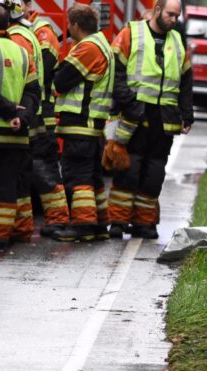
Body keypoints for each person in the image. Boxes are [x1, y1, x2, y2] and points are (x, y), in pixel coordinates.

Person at [105, 0, 193, 240]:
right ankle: (118, 221)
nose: (174, 20)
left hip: (164, 119)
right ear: (157, 10)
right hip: (134, 115)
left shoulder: (177, 41)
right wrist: (128, 101)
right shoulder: (131, 33)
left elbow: (185, 81)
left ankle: (144, 223)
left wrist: (187, 114)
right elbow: (115, 70)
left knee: (154, 174)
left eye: (177, 16)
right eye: (170, 15)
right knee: (128, 169)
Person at [51, 3, 114, 242]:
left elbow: (62, 80)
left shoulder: (88, 48)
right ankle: (98, 224)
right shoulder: (101, 44)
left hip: (80, 122)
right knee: (92, 176)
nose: (68, 28)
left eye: (69, 24)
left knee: (78, 176)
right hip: (91, 124)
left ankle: (83, 226)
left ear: (76, 25)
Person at [0, 0, 40, 248]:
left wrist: (8, 109)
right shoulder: (22, 52)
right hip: (15, 136)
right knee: (6, 188)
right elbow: (34, 91)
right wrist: (21, 117)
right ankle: (0, 237)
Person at [25, 0, 70, 237]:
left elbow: (43, 69)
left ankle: (58, 218)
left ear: (27, 5)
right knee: (26, 167)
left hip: (41, 114)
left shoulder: (43, 31)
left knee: (44, 167)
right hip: (31, 111)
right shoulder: (25, 30)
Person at [7, 0, 42, 242]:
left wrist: (15, 113)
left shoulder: (15, 40)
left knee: (12, 179)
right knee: (19, 176)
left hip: (10, 121)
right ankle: (20, 228)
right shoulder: (27, 35)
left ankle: (15, 229)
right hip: (25, 117)